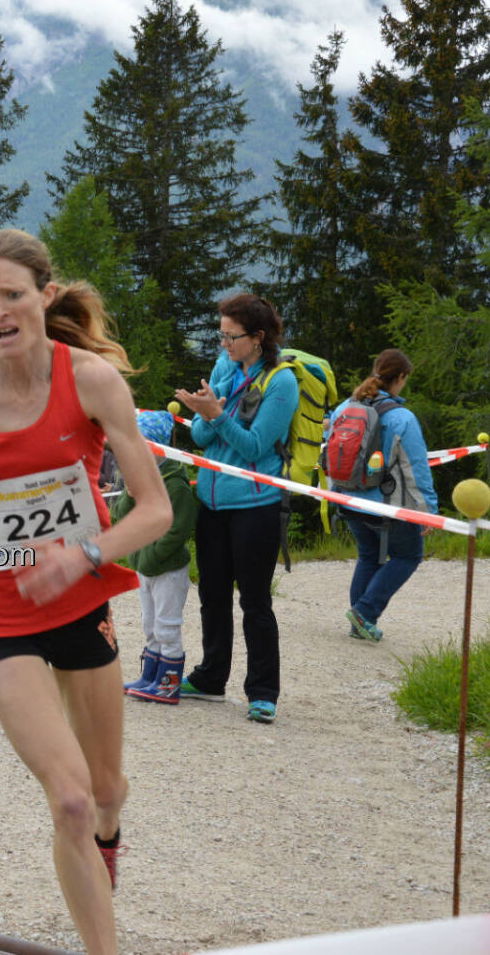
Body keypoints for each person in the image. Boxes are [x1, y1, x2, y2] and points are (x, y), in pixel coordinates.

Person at [0, 229, 171, 955]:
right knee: (72, 797)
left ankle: (110, 835)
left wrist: (82, 555)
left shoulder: (91, 381)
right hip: (2, 615)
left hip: (82, 604)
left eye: (12, 295)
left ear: (44, 297)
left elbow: (155, 509)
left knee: (106, 790)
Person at [172, 294, 300, 725]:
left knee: (255, 600)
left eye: (232, 336)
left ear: (258, 338)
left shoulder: (281, 382)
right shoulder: (225, 367)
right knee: (211, 593)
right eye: (220, 334)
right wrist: (204, 416)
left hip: (255, 504)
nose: (223, 343)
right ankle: (211, 677)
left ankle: (263, 691)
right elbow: (202, 440)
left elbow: (254, 448)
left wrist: (216, 415)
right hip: (212, 501)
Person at [325, 349, 437, 642]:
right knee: (408, 555)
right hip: (389, 506)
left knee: (369, 555)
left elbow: (331, 452)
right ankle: (365, 612)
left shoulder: (343, 409)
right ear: (400, 378)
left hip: (348, 499)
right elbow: (416, 470)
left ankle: (359, 622)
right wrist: (428, 511)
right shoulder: (403, 418)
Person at [113, 410, 197, 704]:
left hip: (167, 569)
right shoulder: (139, 475)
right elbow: (119, 517)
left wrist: (152, 556)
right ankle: (150, 677)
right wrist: (129, 493)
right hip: (145, 567)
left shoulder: (175, 484)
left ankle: (168, 685)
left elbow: (178, 530)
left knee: (167, 625)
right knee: (150, 625)